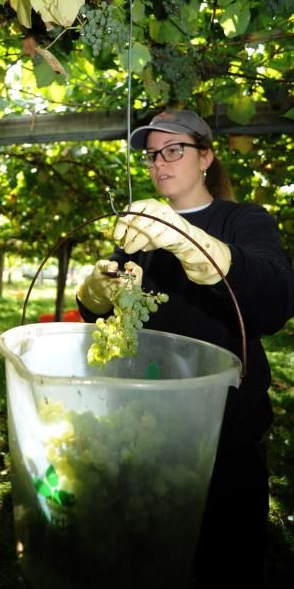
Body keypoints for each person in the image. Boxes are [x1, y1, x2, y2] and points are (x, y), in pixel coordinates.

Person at [77, 109, 294, 588]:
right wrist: (93, 295)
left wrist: (196, 246)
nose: (159, 163)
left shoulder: (242, 221)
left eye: (174, 149)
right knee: (147, 561)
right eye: (153, 155)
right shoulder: (140, 232)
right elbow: (108, 316)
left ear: (206, 157)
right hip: (144, 433)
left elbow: (276, 301)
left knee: (225, 566)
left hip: (226, 434)